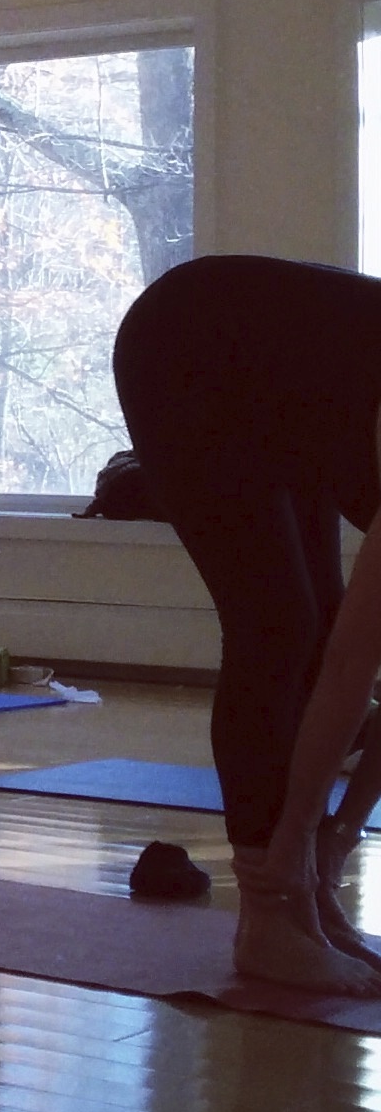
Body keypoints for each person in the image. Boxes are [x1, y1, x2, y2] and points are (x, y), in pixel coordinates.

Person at [115, 256, 381, 996]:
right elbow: (350, 672)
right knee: (282, 628)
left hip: (282, 390)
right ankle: (267, 919)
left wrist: (337, 840)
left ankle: (305, 901)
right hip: (187, 349)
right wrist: (296, 833)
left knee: (316, 623)